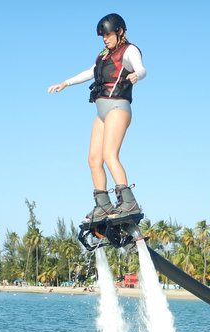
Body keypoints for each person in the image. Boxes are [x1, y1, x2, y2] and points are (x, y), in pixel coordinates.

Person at [48, 13, 146, 223]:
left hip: (118, 107)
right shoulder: (103, 55)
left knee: (110, 155)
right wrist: (65, 83)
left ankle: (129, 202)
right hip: (101, 112)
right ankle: (103, 205)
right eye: (102, 35)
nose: (104, 38)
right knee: (93, 160)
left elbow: (141, 67)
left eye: (108, 34)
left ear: (119, 31)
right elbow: (91, 72)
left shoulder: (129, 50)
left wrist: (138, 74)